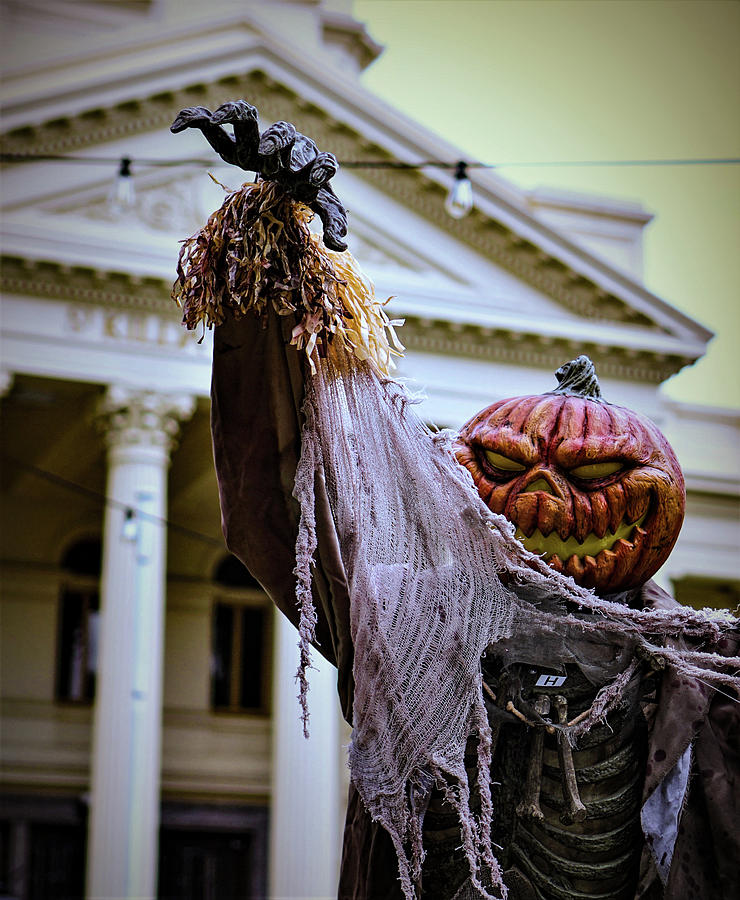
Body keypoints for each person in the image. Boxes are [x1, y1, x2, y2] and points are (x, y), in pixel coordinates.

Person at [172, 103, 739, 900]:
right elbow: (279, 492)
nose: (542, 503)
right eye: (507, 466)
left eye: (589, 476)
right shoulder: (410, 631)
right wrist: (277, 230)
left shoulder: (702, 681)